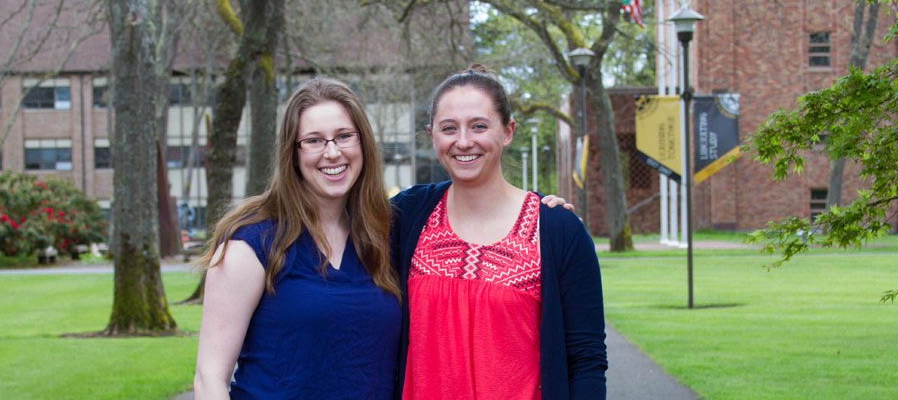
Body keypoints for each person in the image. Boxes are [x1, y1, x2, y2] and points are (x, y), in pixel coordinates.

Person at [391, 65, 608, 399]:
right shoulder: (406, 216)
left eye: (479, 126)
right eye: (449, 128)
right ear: (432, 134)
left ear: (507, 131)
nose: (463, 142)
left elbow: (586, 357)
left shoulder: (556, 230)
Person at [193, 78, 401, 399]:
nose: (332, 153)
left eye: (344, 136)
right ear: (293, 152)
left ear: (363, 144)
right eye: (314, 141)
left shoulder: (383, 235)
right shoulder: (252, 242)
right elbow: (210, 379)